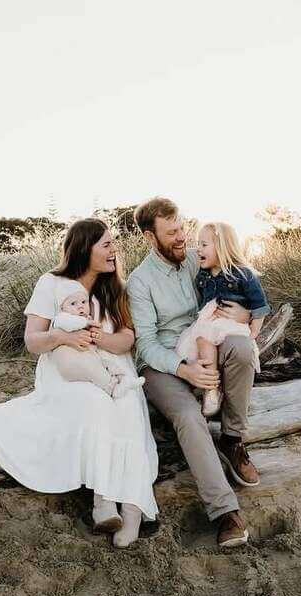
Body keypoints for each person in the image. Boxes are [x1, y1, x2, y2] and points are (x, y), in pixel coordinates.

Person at [0, 218, 158, 549]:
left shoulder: (115, 287)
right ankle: (104, 502)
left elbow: (127, 339)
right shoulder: (51, 283)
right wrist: (64, 336)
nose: (115, 250)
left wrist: (101, 338)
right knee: (94, 403)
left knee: (127, 412)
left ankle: (132, 511)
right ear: (85, 249)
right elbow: (33, 340)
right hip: (65, 369)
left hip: (113, 364)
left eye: (114, 243)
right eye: (107, 245)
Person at [126, 197, 260, 549]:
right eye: (171, 233)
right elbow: (146, 345)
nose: (182, 237)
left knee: (244, 349)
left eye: (182, 227)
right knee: (187, 415)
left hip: (209, 343)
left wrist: (245, 317)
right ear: (149, 237)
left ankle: (232, 439)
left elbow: (241, 286)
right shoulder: (140, 283)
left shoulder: (197, 258)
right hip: (165, 364)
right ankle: (226, 513)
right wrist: (185, 371)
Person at [175, 222, 270, 416]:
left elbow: (260, 304)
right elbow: (203, 301)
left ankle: (232, 421)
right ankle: (211, 389)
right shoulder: (203, 275)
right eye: (197, 244)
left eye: (203, 245)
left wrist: (254, 330)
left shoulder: (244, 274)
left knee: (228, 346)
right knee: (201, 338)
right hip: (212, 321)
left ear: (221, 248)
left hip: (233, 324)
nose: (198, 249)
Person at [51, 279, 146, 399]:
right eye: (73, 304)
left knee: (107, 363)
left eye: (83, 302)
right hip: (74, 358)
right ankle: (112, 388)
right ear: (62, 307)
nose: (80, 306)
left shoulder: (85, 316)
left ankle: (124, 379)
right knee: (94, 370)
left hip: (90, 352)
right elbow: (70, 324)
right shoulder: (62, 318)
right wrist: (86, 322)